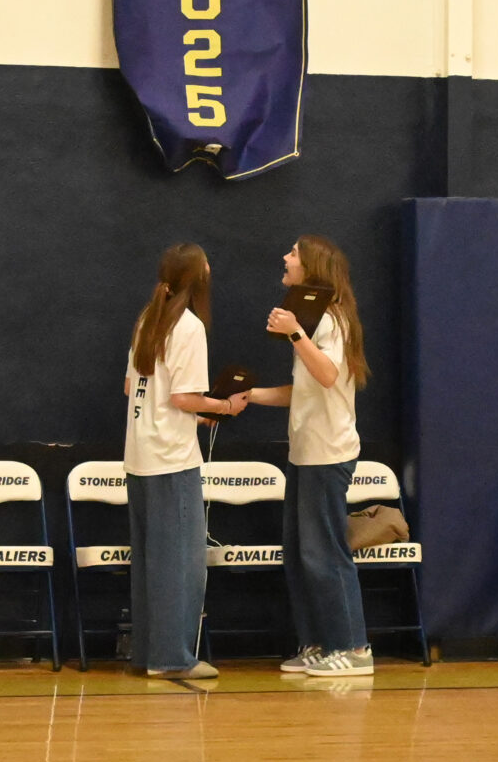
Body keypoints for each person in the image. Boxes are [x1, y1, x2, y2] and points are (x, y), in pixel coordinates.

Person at [249, 235, 373, 676]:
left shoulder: (332, 319)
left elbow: (326, 373)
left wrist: (295, 333)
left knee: (326, 553)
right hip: (304, 454)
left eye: (294, 253)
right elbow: (301, 390)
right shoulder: (315, 323)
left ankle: (354, 648)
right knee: (301, 554)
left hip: (328, 454)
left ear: (312, 268)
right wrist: (249, 396)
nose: (285, 257)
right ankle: (319, 643)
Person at [123, 243, 249, 679]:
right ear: (198, 277)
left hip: (138, 458)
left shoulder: (147, 319)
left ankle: (147, 654)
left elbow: (134, 389)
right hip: (171, 461)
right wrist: (222, 406)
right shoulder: (189, 327)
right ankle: (173, 656)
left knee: (148, 562)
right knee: (179, 561)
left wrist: (193, 415)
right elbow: (180, 396)